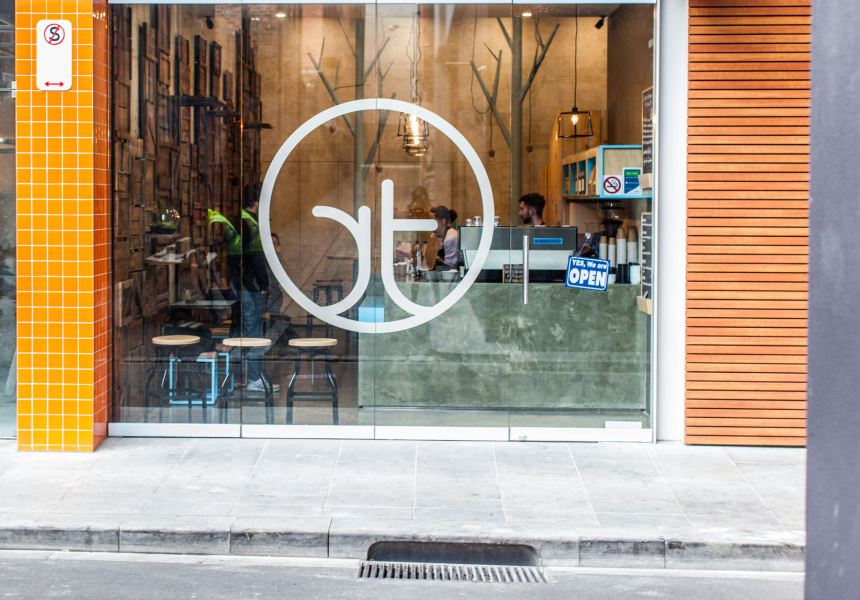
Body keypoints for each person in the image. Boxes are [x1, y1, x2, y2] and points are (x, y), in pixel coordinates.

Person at [230, 185, 272, 392]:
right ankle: (254, 379)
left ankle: (240, 377)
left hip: (239, 283)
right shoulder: (252, 224)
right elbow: (256, 257)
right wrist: (263, 284)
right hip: (251, 284)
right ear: (256, 202)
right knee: (254, 332)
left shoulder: (236, 221)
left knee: (244, 329)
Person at [429, 205, 460, 271]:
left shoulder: (451, 237)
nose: (429, 224)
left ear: (443, 221)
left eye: (432, 221)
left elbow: (450, 265)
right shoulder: (434, 234)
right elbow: (429, 258)